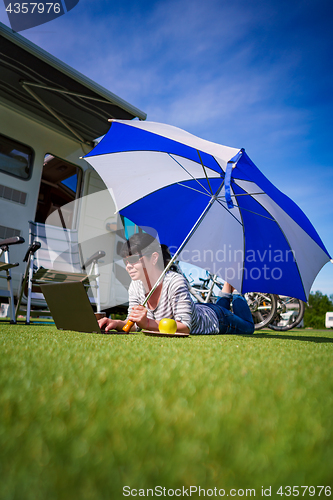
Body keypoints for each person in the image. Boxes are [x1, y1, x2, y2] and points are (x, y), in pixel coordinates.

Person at [98, 233, 254, 335]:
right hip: (200, 309)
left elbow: (185, 327)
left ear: (153, 258)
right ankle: (228, 284)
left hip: (216, 319)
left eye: (133, 260)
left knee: (248, 327)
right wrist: (117, 323)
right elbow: (135, 323)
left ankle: (235, 291)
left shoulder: (175, 281)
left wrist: (148, 323)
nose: (128, 266)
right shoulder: (135, 285)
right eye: (125, 261)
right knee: (222, 307)